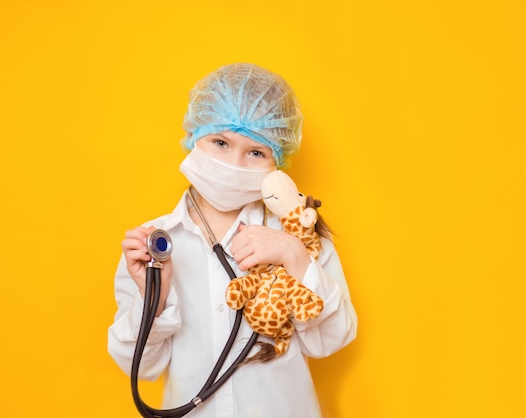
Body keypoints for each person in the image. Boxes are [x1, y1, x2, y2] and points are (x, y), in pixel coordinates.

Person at [108, 63, 358, 418]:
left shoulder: (298, 231)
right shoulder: (153, 246)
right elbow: (142, 368)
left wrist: (296, 258)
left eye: (256, 152)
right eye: (220, 142)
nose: (233, 163)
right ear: (196, 136)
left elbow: (331, 341)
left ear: (278, 159)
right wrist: (156, 299)